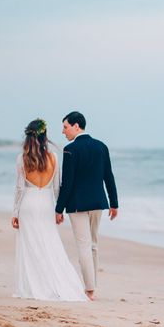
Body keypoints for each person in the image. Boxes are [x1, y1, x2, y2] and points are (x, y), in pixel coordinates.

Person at [11, 119, 89, 301]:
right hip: (46, 203)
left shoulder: (22, 158)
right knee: (50, 243)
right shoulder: (53, 157)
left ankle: (32, 286)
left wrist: (15, 213)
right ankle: (54, 283)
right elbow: (56, 187)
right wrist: (58, 210)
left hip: (28, 204)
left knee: (30, 246)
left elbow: (20, 188)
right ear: (44, 136)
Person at [55, 111, 118, 301]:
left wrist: (59, 209)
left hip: (77, 205)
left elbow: (67, 183)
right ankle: (93, 286)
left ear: (76, 126)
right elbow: (109, 176)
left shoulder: (70, 149)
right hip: (98, 203)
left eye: (65, 127)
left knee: (83, 245)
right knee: (93, 244)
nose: (63, 131)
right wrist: (114, 203)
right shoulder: (101, 147)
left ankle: (89, 290)